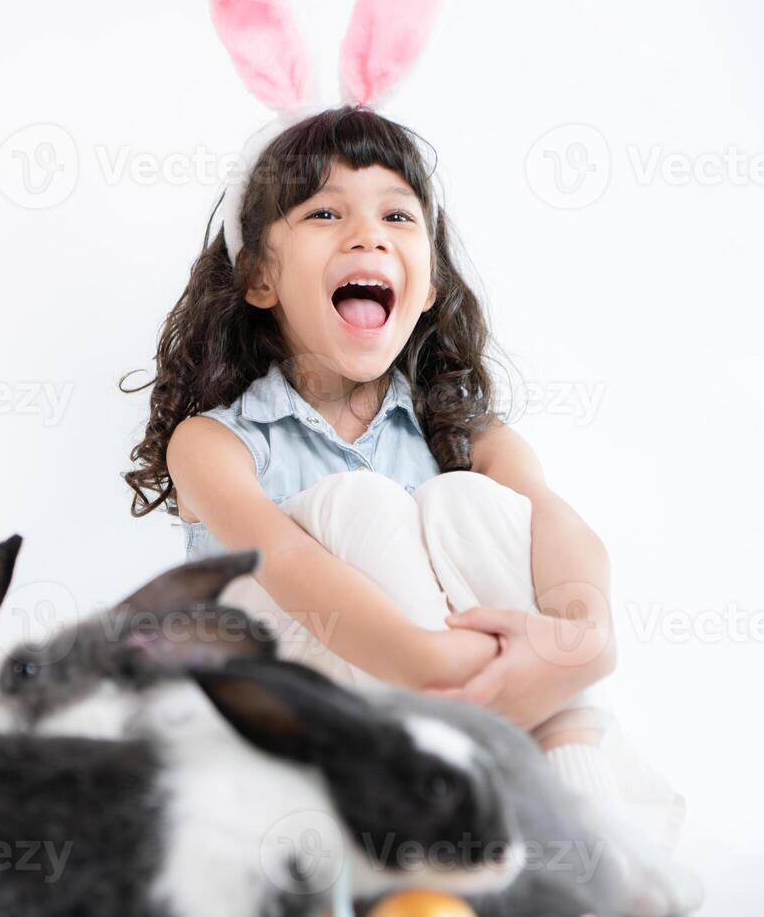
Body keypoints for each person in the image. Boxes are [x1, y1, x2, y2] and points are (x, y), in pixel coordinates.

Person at [121, 105, 699, 915]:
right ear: (258, 277)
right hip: (291, 712)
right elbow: (284, 566)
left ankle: (579, 822)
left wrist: (578, 638)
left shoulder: (460, 433)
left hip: (469, 698)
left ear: (425, 284)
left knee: (471, 499)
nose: (367, 235)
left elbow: (555, 520)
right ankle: (464, 783)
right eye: (325, 212)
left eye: (397, 214)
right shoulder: (215, 444)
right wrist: (436, 672)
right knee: (360, 503)